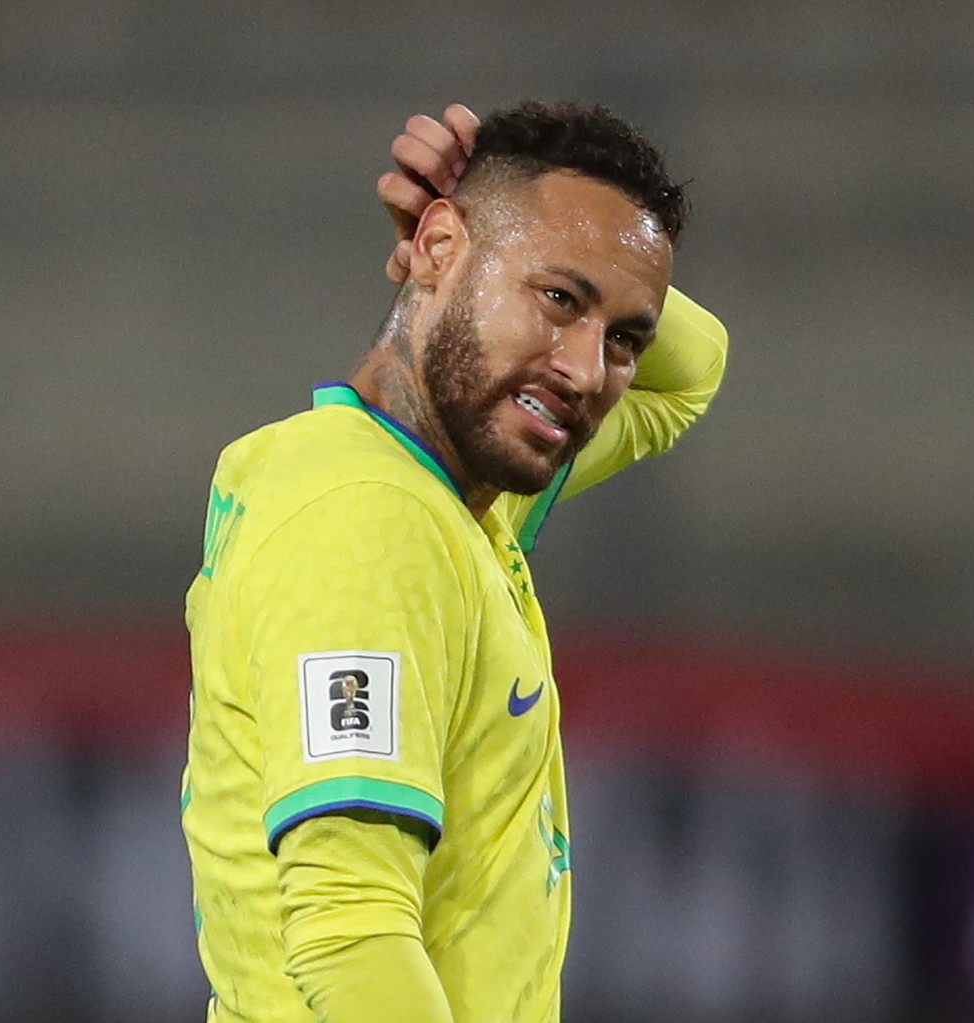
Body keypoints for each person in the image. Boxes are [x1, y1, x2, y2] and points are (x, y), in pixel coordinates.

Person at [181, 100, 729, 1023]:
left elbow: (691, 373)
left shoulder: (461, 487)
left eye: (623, 337)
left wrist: (541, 233)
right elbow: (351, 933)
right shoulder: (367, 523)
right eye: (558, 299)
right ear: (433, 250)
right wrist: (488, 215)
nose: (588, 370)